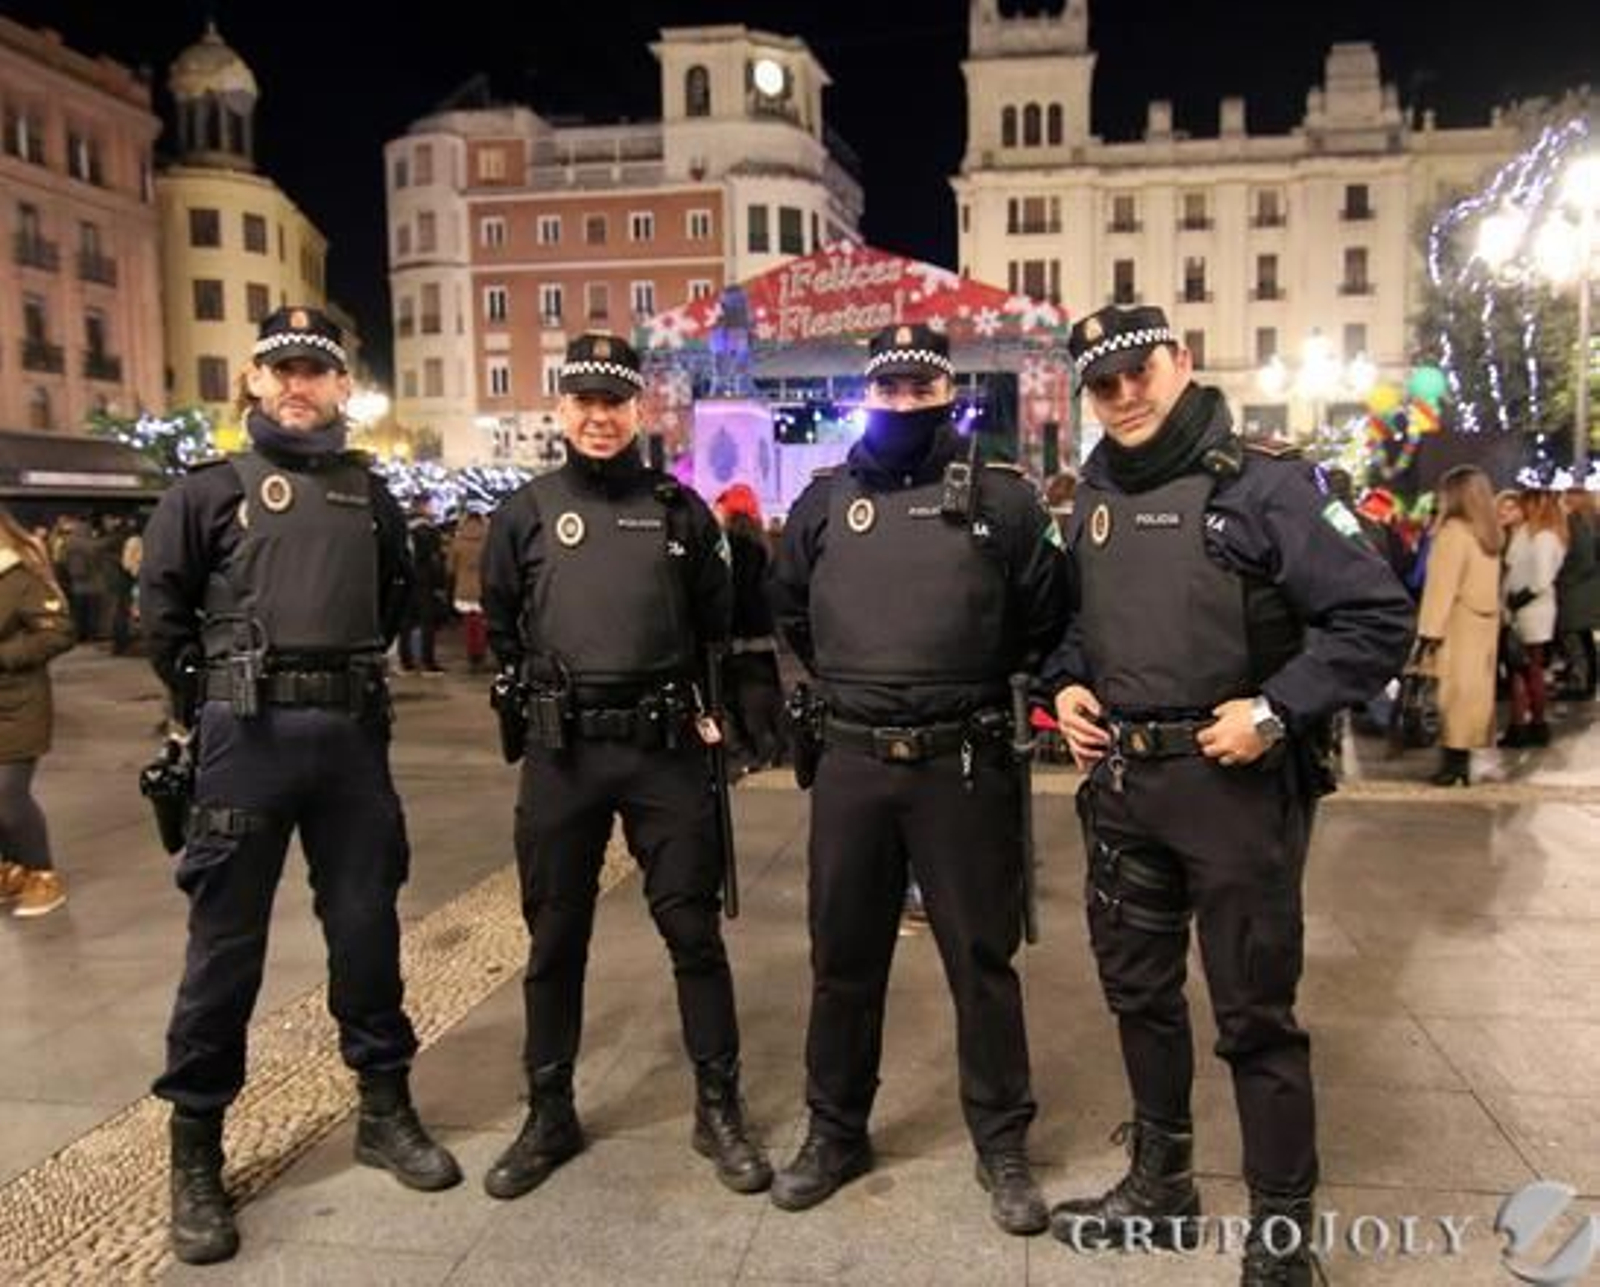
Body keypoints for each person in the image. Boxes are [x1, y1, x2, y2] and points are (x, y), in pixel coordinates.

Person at [1043, 305, 1412, 1284]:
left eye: (1139, 372)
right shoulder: (1095, 493)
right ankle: (1161, 1191)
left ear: (1182, 360)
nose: (1124, 396)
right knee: (1139, 994)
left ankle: (1281, 1237)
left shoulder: (1267, 486)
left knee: (1254, 1015)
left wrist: (1276, 710)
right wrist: (1067, 684)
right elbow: (1084, 622)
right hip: (1125, 788)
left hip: (1235, 790)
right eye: (1103, 384)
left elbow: (1376, 617)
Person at [139, 306, 461, 1266]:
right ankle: (196, 1149)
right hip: (245, 738)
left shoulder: (372, 496)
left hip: (350, 741)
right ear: (253, 378)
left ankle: (384, 1109)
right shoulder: (206, 492)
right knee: (224, 948)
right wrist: (216, 703)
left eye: (314, 370)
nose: (296, 384)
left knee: (367, 931)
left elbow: (398, 597)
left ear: (339, 386)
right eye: (280, 368)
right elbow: (164, 615)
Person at [767, 323, 1071, 1235]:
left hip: (962, 762)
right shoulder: (824, 503)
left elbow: (1046, 615)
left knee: (981, 960)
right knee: (842, 958)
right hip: (853, 760)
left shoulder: (1004, 499)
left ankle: (1002, 1140)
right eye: (888, 388)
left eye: (919, 388)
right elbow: (791, 610)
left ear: (948, 392)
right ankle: (835, 1129)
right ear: (868, 393)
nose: (903, 402)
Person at [479, 332, 769, 1202]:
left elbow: (717, 622)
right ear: (561, 409)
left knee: (694, 934)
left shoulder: (681, 512)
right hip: (563, 754)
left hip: (664, 752)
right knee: (553, 938)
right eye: (585, 401)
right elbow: (503, 625)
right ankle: (549, 1111)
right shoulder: (525, 512)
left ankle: (718, 1107)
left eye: (615, 401)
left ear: (639, 410)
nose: (599, 417)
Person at [0, 505, 75, 917]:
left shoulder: (19, 575)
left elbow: (60, 632)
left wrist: (5, 656)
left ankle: (43, 876)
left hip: (17, 705)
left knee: (7, 797)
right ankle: (12, 871)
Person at [1414, 466, 1502, 785]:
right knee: (1473, 695)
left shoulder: (1453, 533)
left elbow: (1441, 588)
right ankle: (1460, 762)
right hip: (1484, 623)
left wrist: (1428, 633)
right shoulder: (1489, 535)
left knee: (1452, 696)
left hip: (1458, 623)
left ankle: (1452, 765)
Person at [713, 483, 786, 773]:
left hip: (739, 636)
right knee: (764, 697)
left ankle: (753, 753)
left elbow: (733, 591)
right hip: (762, 633)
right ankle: (775, 749)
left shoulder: (732, 544)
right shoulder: (762, 542)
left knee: (740, 698)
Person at [1499, 490, 1566, 747]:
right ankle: (1532, 724)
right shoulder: (1535, 534)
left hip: (1531, 609)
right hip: (1529, 608)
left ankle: (1524, 725)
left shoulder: (1544, 537)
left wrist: (1516, 600)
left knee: (1523, 668)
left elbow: (1541, 578)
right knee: (1526, 668)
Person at [1555, 488, 1599, 700]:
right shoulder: (1590, 522)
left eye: (1564, 500)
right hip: (1587, 589)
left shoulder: (1574, 523)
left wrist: (1562, 578)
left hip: (1576, 591)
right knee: (1584, 638)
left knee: (1576, 638)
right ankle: (1587, 682)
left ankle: (1581, 684)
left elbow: (1583, 559)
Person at [400, 497, 447, 675]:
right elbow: (435, 560)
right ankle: (428, 662)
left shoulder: (405, 528)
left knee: (407, 621)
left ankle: (407, 661)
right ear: (424, 507)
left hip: (407, 579)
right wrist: (440, 583)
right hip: (425, 580)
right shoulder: (429, 531)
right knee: (427, 622)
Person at [449, 509, 491, 673]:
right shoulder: (488, 542)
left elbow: (450, 568)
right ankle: (480, 653)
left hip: (464, 588)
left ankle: (472, 654)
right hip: (483, 588)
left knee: (468, 624)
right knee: (482, 623)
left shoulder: (458, 542)